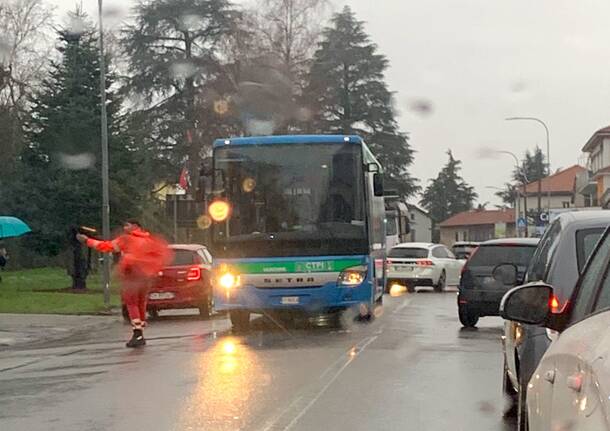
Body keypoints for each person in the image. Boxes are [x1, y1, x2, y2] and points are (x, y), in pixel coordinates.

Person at [77, 220, 171, 348]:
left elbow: (107, 246)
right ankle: (140, 333)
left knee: (131, 303)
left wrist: (87, 241)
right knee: (141, 302)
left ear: (136, 226)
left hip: (132, 274)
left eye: (127, 225)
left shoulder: (127, 239)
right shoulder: (149, 241)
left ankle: (137, 333)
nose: (124, 227)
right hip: (146, 276)